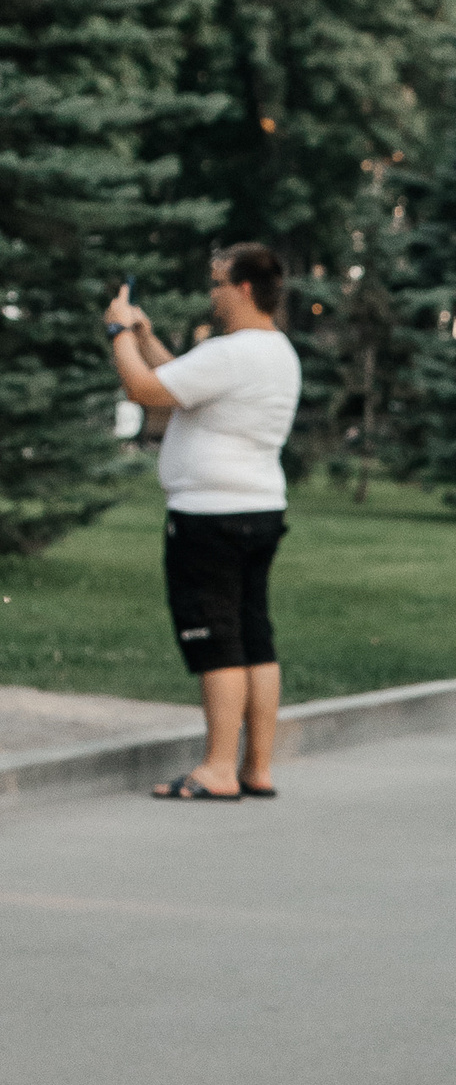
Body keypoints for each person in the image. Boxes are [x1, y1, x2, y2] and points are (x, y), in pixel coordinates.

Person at [104, 246, 303, 804]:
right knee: (255, 639)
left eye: (217, 283)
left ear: (242, 289)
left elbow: (146, 392)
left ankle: (218, 768)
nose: (210, 293)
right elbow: (179, 381)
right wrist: (144, 337)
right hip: (259, 508)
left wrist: (118, 329)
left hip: (210, 517)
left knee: (216, 639)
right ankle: (256, 766)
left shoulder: (233, 352)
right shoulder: (275, 351)